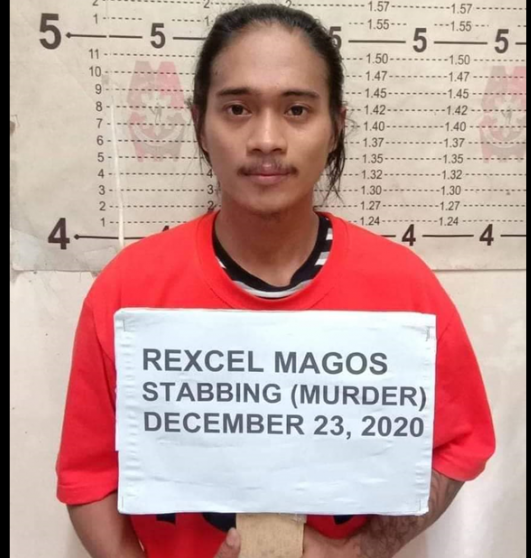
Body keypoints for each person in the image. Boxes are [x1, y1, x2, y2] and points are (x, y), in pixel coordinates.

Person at [56, 4, 495, 557]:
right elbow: (88, 477)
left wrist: (357, 552)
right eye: (237, 109)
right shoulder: (129, 290)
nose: (266, 139)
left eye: (297, 110)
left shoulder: (404, 289)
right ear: (200, 124)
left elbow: (459, 445)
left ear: (336, 127)